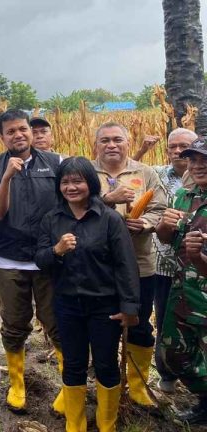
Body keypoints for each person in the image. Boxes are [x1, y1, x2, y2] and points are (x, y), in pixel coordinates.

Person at [35, 157, 140, 432]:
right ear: (59, 186)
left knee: (106, 364)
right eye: (65, 182)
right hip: (68, 305)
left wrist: (129, 307)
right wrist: (56, 250)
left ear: (90, 184)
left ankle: (107, 424)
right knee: (73, 364)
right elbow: (40, 260)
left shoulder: (110, 219)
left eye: (78, 181)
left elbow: (126, 265)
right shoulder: (52, 219)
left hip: (104, 306)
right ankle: (75, 425)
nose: (71, 187)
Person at [0, 109, 64, 414]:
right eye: (10, 132)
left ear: (31, 131)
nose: (18, 135)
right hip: (10, 259)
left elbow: (72, 199)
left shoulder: (55, 163)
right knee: (14, 324)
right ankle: (17, 385)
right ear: (1, 137)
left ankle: (69, 385)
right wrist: (6, 179)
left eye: (22, 129)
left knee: (56, 321)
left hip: (48, 258)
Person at [91, 122, 166, 409]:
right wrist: (107, 200)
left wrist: (146, 223)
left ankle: (137, 385)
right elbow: (73, 209)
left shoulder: (145, 173)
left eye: (117, 140)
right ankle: (106, 383)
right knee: (102, 328)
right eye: (105, 140)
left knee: (139, 324)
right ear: (95, 144)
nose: (111, 145)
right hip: (98, 267)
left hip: (139, 263)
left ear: (128, 141)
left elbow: (160, 208)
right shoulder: (86, 172)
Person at [155, 136, 207, 424]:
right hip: (183, 292)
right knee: (174, 355)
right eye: (194, 160)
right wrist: (164, 224)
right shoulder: (182, 197)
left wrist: (199, 254)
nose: (198, 166)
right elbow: (167, 239)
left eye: (205, 160)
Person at [147, 128, 195, 393]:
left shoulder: (201, 177)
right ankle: (167, 376)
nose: (177, 152)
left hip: (200, 269)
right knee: (166, 319)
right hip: (165, 267)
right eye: (172, 147)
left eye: (183, 147)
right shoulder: (155, 175)